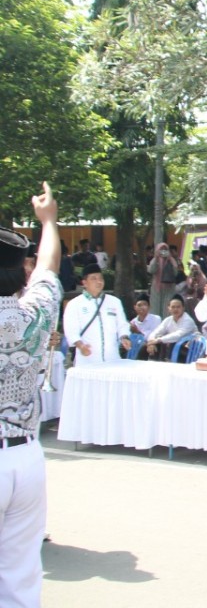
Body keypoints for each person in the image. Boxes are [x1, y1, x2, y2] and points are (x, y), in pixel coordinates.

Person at [0, 183, 62, 607]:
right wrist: (49, 221)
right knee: (22, 570)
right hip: (26, 455)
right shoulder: (35, 312)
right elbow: (49, 265)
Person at [63, 264, 132, 364]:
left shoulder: (114, 302)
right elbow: (71, 331)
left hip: (112, 359)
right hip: (87, 360)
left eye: (100, 278)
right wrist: (81, 346)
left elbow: (122, 324)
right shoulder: (74, 304)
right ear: (84, 283)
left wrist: (124, 337)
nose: (99, 281)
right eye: (94, 279)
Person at [146, 296, 198, 362]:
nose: (175, 309)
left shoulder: (188, 320)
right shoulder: (168, 320)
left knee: (170, 342)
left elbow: (178, 335)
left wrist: (158, 340)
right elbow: (155, 332)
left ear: (183, 308)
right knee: (147, 346)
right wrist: (151, 343)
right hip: (175, 347)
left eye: (178, 307)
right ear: (169, 308)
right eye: (173, 307)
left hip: (190, 349)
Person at [146, 242, 181, 318]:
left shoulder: (172, 261)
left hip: (169, 288)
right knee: (155, 307)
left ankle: (166, 324)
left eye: (165, 250)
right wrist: (156, 258)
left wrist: (170, 259)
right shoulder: (155, 260)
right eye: (161, 250)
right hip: (157, 288)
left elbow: (175, 273)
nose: (163, 252)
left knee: (167, 308)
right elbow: (151, 270)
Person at [128, 294, 161, 359]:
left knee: (147, 346)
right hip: (136, 347)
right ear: (135, 307)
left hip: (151, 345)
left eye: (144, 305)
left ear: (149, 307)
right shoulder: (133, 322)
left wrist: (138, 332)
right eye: (139, 305)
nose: (142, 307)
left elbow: (153, 336)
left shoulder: (156, 319)